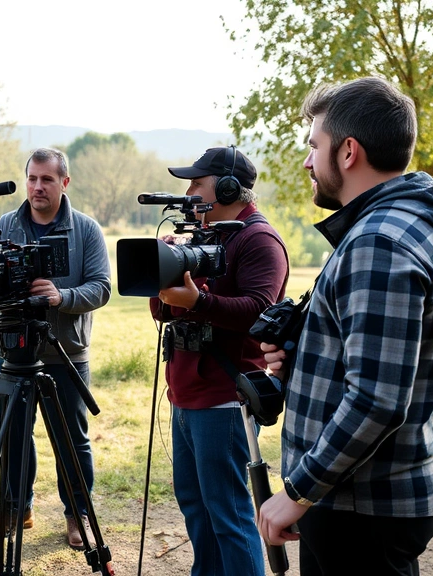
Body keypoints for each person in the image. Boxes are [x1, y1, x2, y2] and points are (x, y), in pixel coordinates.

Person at [257, 76, 433, 575]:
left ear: (349, 151)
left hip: (360, 508)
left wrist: (297, 491)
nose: (308, 161)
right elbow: (380, 367)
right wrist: (303, 362)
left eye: (315, 146)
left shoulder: (380, 242)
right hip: (360, 501)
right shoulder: (397, 225)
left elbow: (377, 400)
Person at [149, 146, 289, 576]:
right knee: (197, 509)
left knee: (228, 515)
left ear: (229, 187)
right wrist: (165, 272)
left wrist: (200, 300)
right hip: (186, 394)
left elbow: (258, 310)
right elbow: (163, 312)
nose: (189, 193)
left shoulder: (258, 239)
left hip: (224, 397)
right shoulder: (208, 236)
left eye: (197, 183)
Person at [0, 147, 112, 550]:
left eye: (47, 179)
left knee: (72, 438)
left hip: (65, 352)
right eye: (32, 178)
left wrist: (61, 296)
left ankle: (78, 515)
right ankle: (16, 510)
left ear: (64, 183)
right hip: (14, 352)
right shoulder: (5, 224)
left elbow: (102, 287)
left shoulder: (86, 229)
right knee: (12, 434)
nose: (37, 187)